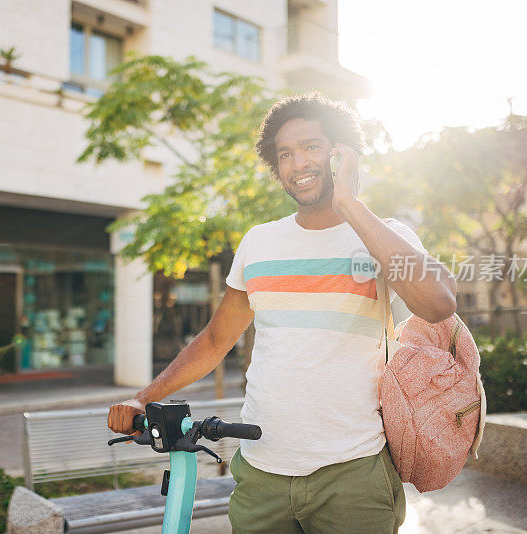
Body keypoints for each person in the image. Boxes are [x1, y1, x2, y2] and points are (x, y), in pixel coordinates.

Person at [107, 93, 458, 533]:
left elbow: (438, 304)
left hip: (352, 472)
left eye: (312, 147)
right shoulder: (259, 242)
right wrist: (142, 397)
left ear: (341, 154)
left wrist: (350, 203)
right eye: (285, 154)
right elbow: (216, 341)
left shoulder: (385, 236)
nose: (298, 163)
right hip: (261, 473)